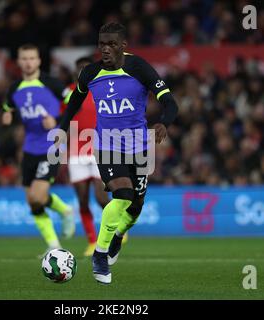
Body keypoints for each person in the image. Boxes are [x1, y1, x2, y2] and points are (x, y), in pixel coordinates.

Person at [58, 23, 178, 284]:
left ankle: (117, 237)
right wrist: (61, 129)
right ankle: (100, 255)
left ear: (123, 45)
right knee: (122, 195)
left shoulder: (139, 68)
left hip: (139, 146)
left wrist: (163, 123)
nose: (106, 49)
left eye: (111, 44)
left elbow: (169, 101)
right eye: (102, 44)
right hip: (107, 144)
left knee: (135, 209)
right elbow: (74, 103)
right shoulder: (89, 73)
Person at [2, 44, 75, 256]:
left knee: (37, 195)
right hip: (29, 148)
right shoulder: (14, 88)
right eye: (24, 58)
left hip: (52, 145)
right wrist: (7, 115)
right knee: (33, 201)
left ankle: (65, 211)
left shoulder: (51, 83)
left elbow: (74, 101)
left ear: (39, 61)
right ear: (18, 62)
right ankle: (54, 245)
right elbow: (7, 107)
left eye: (32, 58)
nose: (28, 62)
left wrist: (58, 119)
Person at [63, 56, 111, 257]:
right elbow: (64, 121)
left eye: (85, 68)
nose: (81, 72)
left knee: (101, 196)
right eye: (78, 69)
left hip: (98, 150)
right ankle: (92, 241)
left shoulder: (103, 89)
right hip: (76, 153)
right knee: (82, 200)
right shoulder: (68, 93)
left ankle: (115, 228)